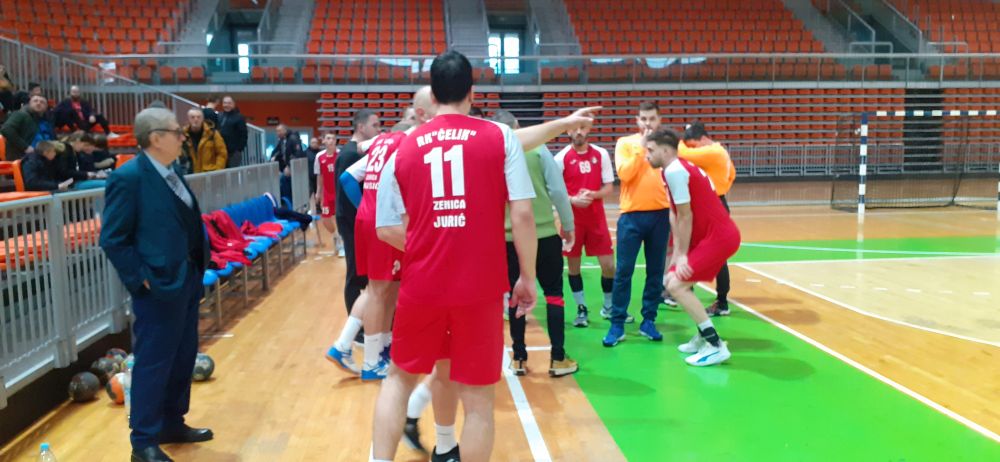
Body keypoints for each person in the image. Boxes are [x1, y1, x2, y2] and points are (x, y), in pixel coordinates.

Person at [370, 50, 597, 462]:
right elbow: (522, 214)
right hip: (479, 287)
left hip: (422, 284)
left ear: (432, 96)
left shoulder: (402, 148)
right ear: (473, 93)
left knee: (398, 379)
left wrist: (429, 247)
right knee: (477, 400)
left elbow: (385, 226)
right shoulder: (498, 137)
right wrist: (526, 276)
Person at [99, 108, 213, 462]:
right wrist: (140, 279)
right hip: (158, 286)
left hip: (187, 277)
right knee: (153, 362)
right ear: (155, 138)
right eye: (176, 131)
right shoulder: (129, 178)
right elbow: (113, 238)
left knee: (182, 355)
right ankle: (143, 441)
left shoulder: (173, 172)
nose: (182, 136)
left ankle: (171, 422)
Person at [491, 109, 578, 377]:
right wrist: (568, 224)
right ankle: (558, 358)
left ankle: (518, 357)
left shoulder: (491, 154)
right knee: (554, 294)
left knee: (514, 296)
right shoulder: (539, 149)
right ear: (518, 125)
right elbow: (558, 191)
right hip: (544, 235)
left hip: (508, 238)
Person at [644, 128, 738, 366]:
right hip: (710, 237)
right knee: (673, 281)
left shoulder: (676, 171)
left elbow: (686, 216)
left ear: (666, 151)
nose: (646, 155)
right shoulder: (671, 170)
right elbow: (675, 213)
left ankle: (715, 345)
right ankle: (703, 335)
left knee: (676, 285)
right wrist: (676, 254)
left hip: (719, 237)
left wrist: (683, 255)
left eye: (651, 150)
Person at [602, 101, 671, 348]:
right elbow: (624, 174)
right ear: (637, 120)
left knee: (655, 271)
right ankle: (617, 323)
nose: (647, 123)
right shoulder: (625, 143)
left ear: (659, 120)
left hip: (660, 215)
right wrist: (642, 147)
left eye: (652, 118)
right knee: (623, 271)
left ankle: (648, 320)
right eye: (643, 118)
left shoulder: (667, 146)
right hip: (631, 216)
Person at [553, 124, 617, 328]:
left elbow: (609, 187)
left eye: (582, 128)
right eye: (574, 128)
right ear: (568, 131)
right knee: (573, 267)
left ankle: (608, 306)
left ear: (588, 130)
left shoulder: (601, 154)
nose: (578, 132)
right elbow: (555, 192)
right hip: (571, 221)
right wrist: (573, 200)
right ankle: (581, 308)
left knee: (609, 266)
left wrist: (593, 195)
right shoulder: (560, 158)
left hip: (596, 219)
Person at [679, 120, 736, 316]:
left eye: (694, 145)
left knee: (717, 255)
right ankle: (687, 289)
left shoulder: (714, 152)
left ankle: (722, 302)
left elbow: (682, 153)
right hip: (714, 202)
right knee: (695, 248)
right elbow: (732, 174)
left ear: (703, 139)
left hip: (713, 205)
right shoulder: (719, 153)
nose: (692, 149)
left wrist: (680, 141)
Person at [334, 109, 379, 325]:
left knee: (361, 274)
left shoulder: (352, 151)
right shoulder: (351, 154)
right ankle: (356, 328)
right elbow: (346, 190)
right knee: (355, 275)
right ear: (361, 127)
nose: (378, 130)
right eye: (375, 125)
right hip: (351, 222)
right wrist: (365, 211)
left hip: (353, 220)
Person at [313, 132, 343, 254]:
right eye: (328, 138)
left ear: (335, 141)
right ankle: (336, 236)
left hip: (339, 192)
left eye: (333, 139)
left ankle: (342, 243)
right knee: (325, 219)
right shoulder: (319, 157)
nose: (331, 141)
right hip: (326, 193)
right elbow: (319, 176)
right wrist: (318, 193)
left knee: (340, 217)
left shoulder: (341, 155)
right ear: (324, 141)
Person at [1, 94, 47, 160]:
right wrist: (25, 147)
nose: (38, 103)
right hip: (22, 157)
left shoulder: (44, 120)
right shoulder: (20, 114)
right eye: (35, 101)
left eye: (42, 102)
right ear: (29, 104)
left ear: (46, 107)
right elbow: (6, 129)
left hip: (40, 155)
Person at [182, 108, 227, 173]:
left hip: (209, 173)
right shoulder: (182, 135)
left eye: (198, 117)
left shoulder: (213, 134)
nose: (196, 119)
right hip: (190, 173)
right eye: (192, 117)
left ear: (203, 119)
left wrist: (218, 169)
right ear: (188, 119)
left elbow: (222, 153)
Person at [272, 124, 305, 203]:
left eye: (279, 131)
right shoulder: (281, 141)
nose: (278, 133)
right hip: (285, 168)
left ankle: (289, 203)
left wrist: (290, 166)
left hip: (295, 169)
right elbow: (277, 151)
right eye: (277, 131)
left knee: (286, 183)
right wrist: (274, 157)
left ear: (285, 130)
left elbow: (297, 153)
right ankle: (287, 202)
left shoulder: (293, 138)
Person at [218, 96, 248, 168]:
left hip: (233, 153)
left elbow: (244, 135)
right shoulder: (219, 116)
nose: (227, 105)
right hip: (220, 152)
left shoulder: (239, 117)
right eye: (225, 103)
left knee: (232, 173)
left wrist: (239, 150)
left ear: (233, 104)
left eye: (229, 103)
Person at [305, 136, 322, 205]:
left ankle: (318, 206)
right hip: (309, 176)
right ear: (310, 143)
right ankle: (310, 207)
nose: (314, 144)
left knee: (319, 192)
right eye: (313, 142)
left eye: (316, 143)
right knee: (310, 193)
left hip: (319, 176)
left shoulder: (321, 153)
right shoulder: (305, 153)